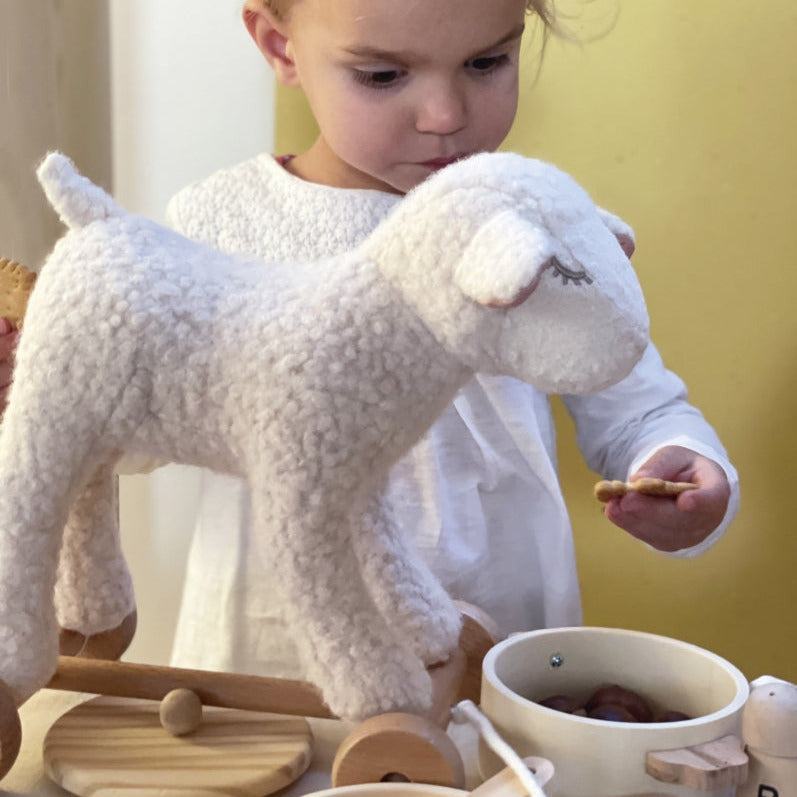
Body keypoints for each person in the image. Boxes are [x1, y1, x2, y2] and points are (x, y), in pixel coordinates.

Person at [0, 0, 738, 682]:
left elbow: (636, 401)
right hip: (274, 659)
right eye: (383, 75)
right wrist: (39, 380)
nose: (446, 114)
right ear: (279, 46)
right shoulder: (223, 222)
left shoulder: (532, 219)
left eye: (486, 62)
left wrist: (678, 466)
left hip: (502, 649)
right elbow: (142, 433)